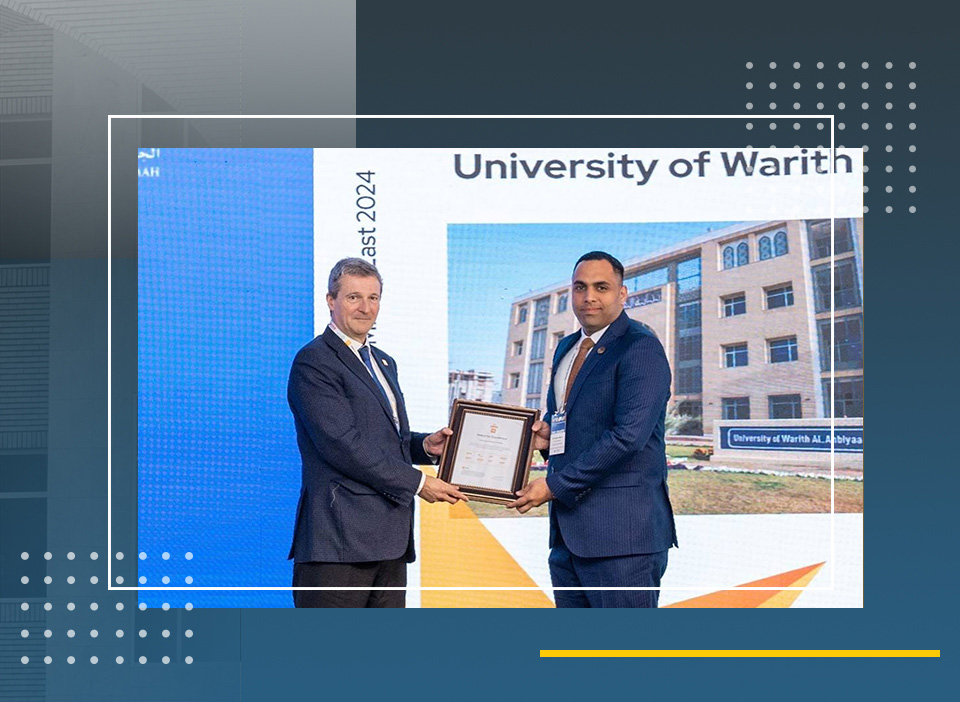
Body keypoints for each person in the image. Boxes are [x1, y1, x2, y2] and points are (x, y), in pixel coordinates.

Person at [287, 257, 466, 607]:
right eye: (354, 297)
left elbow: (385, 439)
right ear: (331, 300)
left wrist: (425, 447)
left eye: (373, 298)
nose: (365, 308)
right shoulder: (314, 361)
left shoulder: (384, 362)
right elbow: (341, 444)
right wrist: (419, 483)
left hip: (390, 541)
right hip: (338, 543)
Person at [507, 251, 677, 608]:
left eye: (602, 287)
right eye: (580, 287)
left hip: (623, 541)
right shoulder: (567, 348)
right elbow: (569, 421)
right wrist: (546, 440)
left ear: (622, 294)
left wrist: (553, 486)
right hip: (568, 537)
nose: (589, 297)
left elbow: (628, 437)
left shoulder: (640, 346)